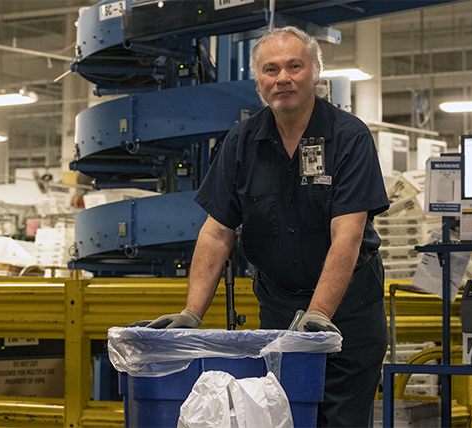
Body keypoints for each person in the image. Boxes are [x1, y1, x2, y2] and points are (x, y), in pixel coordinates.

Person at [135, 26, 390, 427]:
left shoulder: (349, 137)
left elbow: (349, 234)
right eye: (271, 69)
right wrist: (191, 313)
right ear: (258, 82)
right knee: (279, 417)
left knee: (341, 420)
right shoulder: (241, 142)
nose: (282, 78)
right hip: (279, 309)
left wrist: (320, 313)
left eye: (294, 66)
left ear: (316, 73)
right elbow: (217, 232)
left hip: (349, 315)